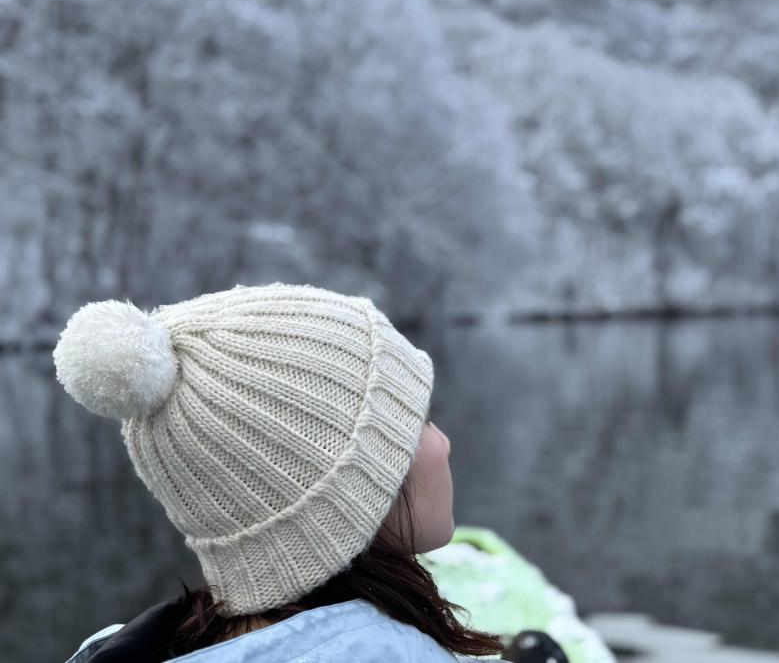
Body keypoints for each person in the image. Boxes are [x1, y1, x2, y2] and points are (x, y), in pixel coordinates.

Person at [53, 282, 565, 663]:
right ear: (347, 491)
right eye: (415, 422)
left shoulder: (134, 646)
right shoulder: (386, 655)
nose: (444, 442)